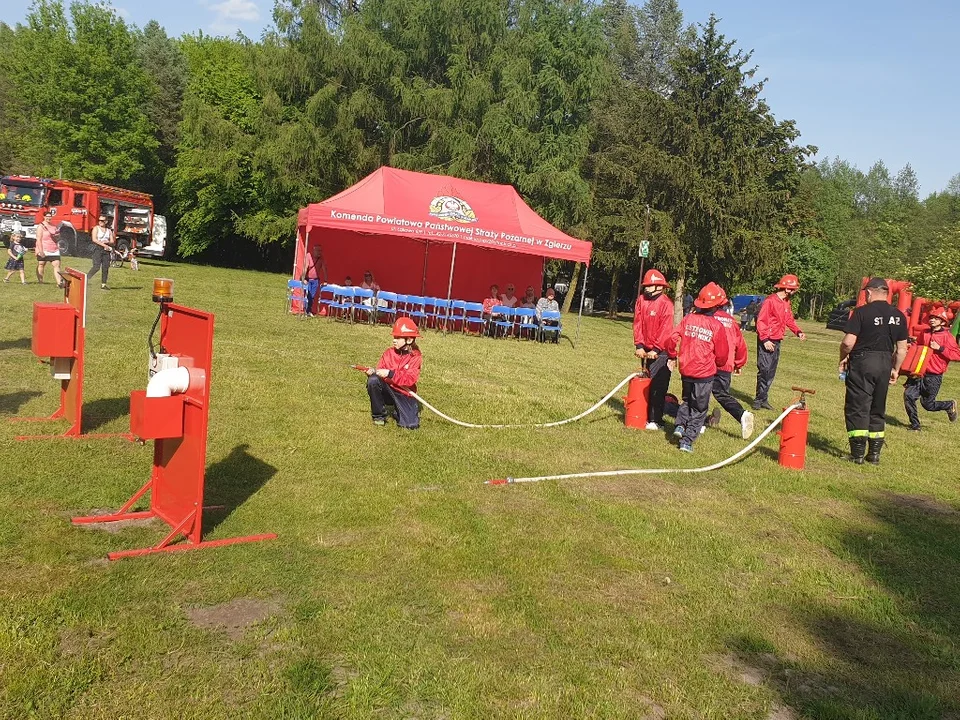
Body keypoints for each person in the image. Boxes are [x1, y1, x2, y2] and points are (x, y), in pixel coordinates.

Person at [839, 277, 909, 464]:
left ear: (868, 292)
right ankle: (875, 454)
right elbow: (902, 349)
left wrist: (843, 358)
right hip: (885, 362)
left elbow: (847, 343)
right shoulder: (899, 315)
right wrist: (895, 369)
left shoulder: (861, 312)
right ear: (886, 293)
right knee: (877, 408)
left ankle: (857, 454)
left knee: (858, 406)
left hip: (863, 361)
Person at [666, 282, 730, 453]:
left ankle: (679, 426)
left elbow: (672, 338)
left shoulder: (688, 319)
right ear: (716, 306)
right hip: (704, 374)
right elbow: (723, 353)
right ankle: (687, 441)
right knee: (700, 408)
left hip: (686, 369)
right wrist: (720, 364)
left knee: (686, 400)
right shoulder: (717, 326)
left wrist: (672, 355)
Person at [705, 286, 754, 439]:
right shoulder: (732, 322)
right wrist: (738, 364)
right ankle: (740, 414)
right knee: (722, 394)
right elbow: (740, 345)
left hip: (708, 362)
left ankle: (698, 422)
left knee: (698, 393)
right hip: (726, 364)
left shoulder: (707, 318)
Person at [753, 275, 806, 410]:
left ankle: (763, 399)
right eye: (794, 289)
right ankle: (758, 400)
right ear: (787, 288)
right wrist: (765, 339)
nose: (795, 291)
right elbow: (761, 321)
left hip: (777, 340)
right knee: (764, 370)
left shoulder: (786, 302)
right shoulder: (770, 301)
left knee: (771, 371)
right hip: (767, 340)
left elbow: (789, 319)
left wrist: (798, 331)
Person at [903, 307, 960, 430]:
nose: (932, 320)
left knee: (928, 405)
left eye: (936, 318)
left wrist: (940, 348)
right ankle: (915, 426)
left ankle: (949, 405)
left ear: (943, 322)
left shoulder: (947, 336)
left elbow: (957, 354)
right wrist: (910, 345)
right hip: (919, 372)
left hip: (934, 376)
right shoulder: (925, 332)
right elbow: (917, 346)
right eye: (931, 318)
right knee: (908, 396)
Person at [632, 268, 675, 430]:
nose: (647, 288)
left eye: (650, 285)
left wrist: (656, 349)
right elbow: (638, 323)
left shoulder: (666, 304)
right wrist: (639, 345)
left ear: (660, 287)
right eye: (646, 285)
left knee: (658, 387)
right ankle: (642, 415)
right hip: (645, 351)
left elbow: (665, 330)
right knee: (644, 385)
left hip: (661, 353)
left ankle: (655, 420)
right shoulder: (641, 300)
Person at [366, 318, 423, 429]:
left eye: (398, 337)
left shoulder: (416, 356)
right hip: (388, 390)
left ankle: (399, 412)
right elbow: (379, 373)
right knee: (373, 380)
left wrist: (390, 373)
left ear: (409, 340)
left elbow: (410, 379)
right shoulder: (388, 353)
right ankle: (378, 416)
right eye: (394, 337)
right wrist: (372, 373)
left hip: (404, 393)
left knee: (410, 425)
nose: (394, 340)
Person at [35, 209, 63, 287]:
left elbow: (57, 236)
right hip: (44, 247)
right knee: (41, 264)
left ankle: (59, 282)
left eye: (50, 217)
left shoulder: (54, 226)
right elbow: (38, 239)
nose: (49, 218)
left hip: (54, 248)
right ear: (44, 217)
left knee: (56, 264)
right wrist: (40, 251)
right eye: (47, 217)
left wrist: (58, 239)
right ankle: (40, 281)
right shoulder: (40, 227)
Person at [88, 214, 114, 289]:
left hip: (106, 250)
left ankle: (103, 284)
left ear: (106, 222)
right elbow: (94, 239)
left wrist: (108, 242)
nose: (100, 222)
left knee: (105, 267)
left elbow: (112, 241)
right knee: (96, 266)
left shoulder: (109, 231)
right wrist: (103, 245)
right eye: (99, 220)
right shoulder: (96, 228)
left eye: (102, 221)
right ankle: (86, 279)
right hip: (97, 249)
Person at [302, 244, 327, 316]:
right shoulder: (308, 256)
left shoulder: (321, 258)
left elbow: (324, 269)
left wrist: (325, 280)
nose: (319, 252)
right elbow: (305, 267)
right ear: (314, 250)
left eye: (320, 251)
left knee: (312, 297)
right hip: (308, 279)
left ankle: (308, 311)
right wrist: (303, 279)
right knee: (307, 295)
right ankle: (305, 310)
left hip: (316, 280)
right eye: (318, 250)